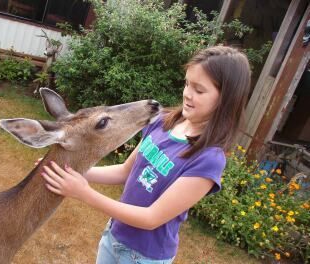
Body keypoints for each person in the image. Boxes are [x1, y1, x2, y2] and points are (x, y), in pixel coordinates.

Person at [41, 45, 251, 263]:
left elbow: (151, 218)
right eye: (187, 83)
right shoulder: (163, 122)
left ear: (226, 99)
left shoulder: (209, 159)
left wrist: (84, 193)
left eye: (199, 90)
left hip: (144, 258)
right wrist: (73, 171)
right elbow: (125, 171)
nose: (187, 94)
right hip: (114, 237)